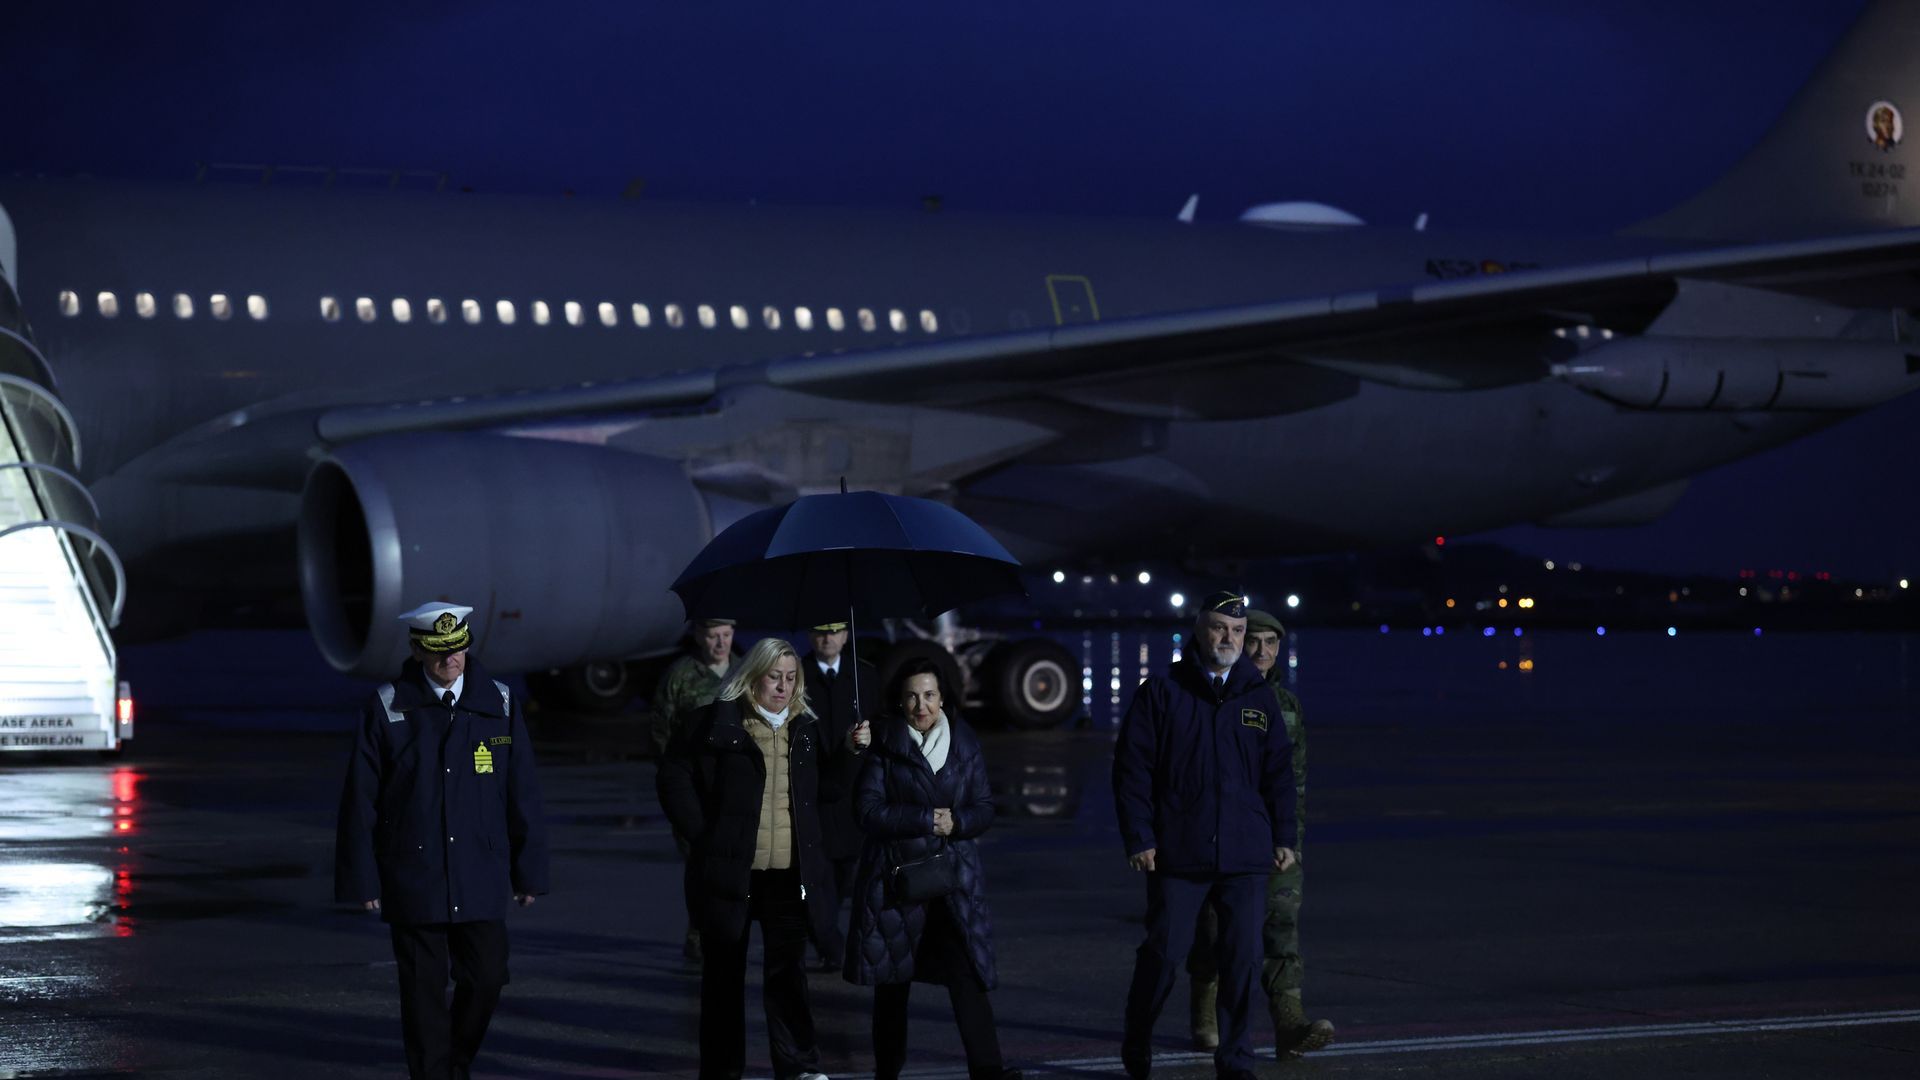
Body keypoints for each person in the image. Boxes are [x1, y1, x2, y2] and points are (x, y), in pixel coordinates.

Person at [335, 601, 549, 1080]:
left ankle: (455, 1061)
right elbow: (360, 798)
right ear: (417, 651)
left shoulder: (499, 702)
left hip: (480, 870)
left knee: (487, 976)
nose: (450, 659)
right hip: (415, 872)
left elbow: (523, 793)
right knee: (421, 991)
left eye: (457, 648)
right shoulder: (388, 706)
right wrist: (362, 878)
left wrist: (529, 870)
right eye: (438, 651)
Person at [1112, 591, 1297, 1080]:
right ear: (1198, 631)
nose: (1228, 639)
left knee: (1242, 961)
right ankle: (1138, 1034)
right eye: (1219, 628)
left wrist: (1284, 836)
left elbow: (1278, 773)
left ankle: (1235, 1062)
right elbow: (1132, 770)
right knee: (1163, 955)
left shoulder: (1258, 696)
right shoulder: (1163, 692)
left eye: (1237, 631)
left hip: (1245, 854)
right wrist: (1139, 837)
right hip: (1179, 852)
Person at [656, 636, 838, 1080]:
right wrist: (705, 837)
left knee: (788, 976)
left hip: (788, 876)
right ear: (753, 676)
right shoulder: (716, 722)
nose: (783, 686)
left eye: (791, 677)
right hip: (731, 875)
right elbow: (674, 776)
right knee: (723, 978)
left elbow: (832, 791)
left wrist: (854, 750)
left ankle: (798, 1067)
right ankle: (722, 1072)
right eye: (774, 677)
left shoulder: (807, 729)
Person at [844, 658, 1018, 1080]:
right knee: (893, 985)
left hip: (951, 882)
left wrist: (957, 822)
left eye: (929, 695)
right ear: (899, 701)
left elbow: (984, 807)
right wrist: (925, 819)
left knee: (967, 975)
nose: (920, 705)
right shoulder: (884, 742)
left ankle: (988, 1071)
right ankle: (887, 1073)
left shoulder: (964, 742)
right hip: (898, 881)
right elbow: (866, 811)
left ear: (943, 698)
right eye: (911, 696)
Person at [1186, 609, 1334, 1057]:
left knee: (1281, 926)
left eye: (1271, 643)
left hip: (1276, 838)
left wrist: (1291, 841)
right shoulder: (1213, 697)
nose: (1262, 651)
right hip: (1223, 838)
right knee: (1216, 929)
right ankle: (1204, 1004)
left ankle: (1289, 1022)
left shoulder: (1287, 707)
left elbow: (1297, 781)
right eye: (1254, 641)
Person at [651, 616, 737, 961]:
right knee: (700, 863)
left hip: (734, 787)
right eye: (713, 635)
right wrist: (676, 782)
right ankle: (700, 934)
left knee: (733, 864)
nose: (720, 643)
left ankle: (728, 931)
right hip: (693, 790)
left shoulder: (745, 672)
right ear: (699, 636)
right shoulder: (680, 676)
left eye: (726, 635)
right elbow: (661, 732)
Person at [803, 620, 877, 968]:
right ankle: (828, 943)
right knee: (818, 875)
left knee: (845, 871)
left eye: (834, 631)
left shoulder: (864, 676)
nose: (827, 638)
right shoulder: (797, 676)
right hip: (814, 790)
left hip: (853, 792)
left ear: (846, 635)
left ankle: (828, 936)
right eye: (820, 631)